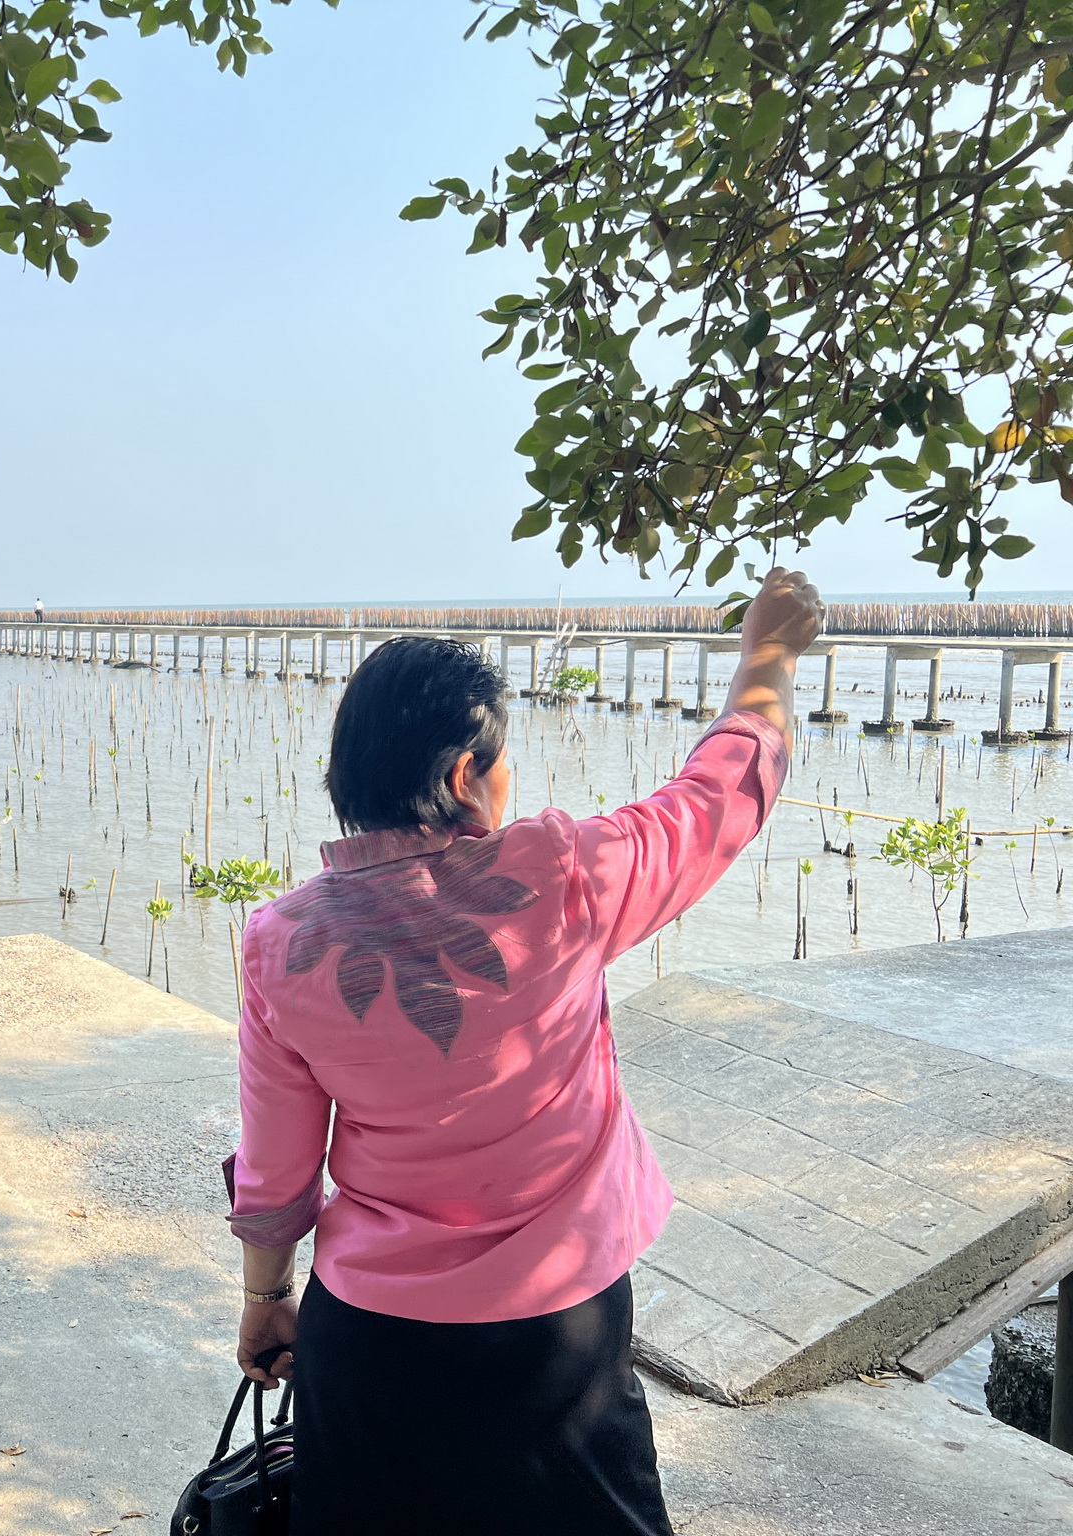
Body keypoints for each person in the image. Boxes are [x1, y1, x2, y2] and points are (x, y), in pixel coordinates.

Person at [227, 569, 825, 1534]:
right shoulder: (561, 873)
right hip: (557, 1335)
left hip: (367, 1334)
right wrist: (768, 654)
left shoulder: (281, 941)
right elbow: (718, 797)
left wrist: (266, 1297)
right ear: (466, 773)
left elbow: (277, 1170)